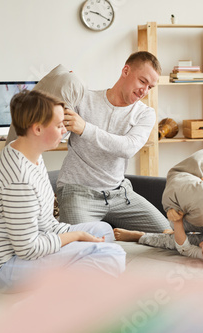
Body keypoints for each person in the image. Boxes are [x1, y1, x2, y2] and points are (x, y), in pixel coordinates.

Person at [0, 90, 126, 292]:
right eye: (58, 126)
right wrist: (76, 237)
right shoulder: (19, 178)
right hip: (7, 267)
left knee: (104, 231)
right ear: (37, 129)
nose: (65, 130)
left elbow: (46, 222)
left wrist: (77, 236)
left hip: (32, 243)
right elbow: (28, 249)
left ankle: (74, 279)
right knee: (113, 254)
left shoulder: (30, 152)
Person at [56, 51, 171, 233]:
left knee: (169, 234)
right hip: (78, 192)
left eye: (150, 87)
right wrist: (63, 84)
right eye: (142, 81)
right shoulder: (84, 99)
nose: (145, 91)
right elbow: (51, 119)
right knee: (79, 247)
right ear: (126, 71)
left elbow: (128, 148)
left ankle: (131, 236)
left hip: (119, 195)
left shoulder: (145, 114)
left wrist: (85, 128)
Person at [114, 177, 203, 268]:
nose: (200, 245)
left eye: (202, 248)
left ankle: (140, 236)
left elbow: (185, 249)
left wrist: (178, 223)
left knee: (174, 242)